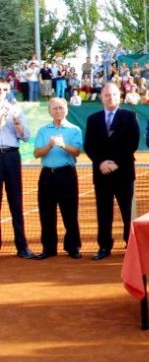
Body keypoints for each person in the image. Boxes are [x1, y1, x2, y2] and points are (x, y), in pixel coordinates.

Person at [84, 83, 141, 260]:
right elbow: (89, 145)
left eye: (114, 94)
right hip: (102, 174)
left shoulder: (129, 116)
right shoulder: (93, 119)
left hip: (124, 173)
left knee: (127, 212)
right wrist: (101, 162)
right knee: (103, 212)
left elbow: (132, 143)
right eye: (107, 95)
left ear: (120, 96)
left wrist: (116, 163)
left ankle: (130, 244)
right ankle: (104, 246)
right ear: (101, 97)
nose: (111, 98)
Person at [32, 98, 83, 259]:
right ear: (50, 112)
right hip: (47, 175)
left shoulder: (74, 129)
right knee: (46, 213)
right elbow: (36, 153)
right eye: (55, 109)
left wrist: (62, 145)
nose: (58, 111)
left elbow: (77, 152)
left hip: (67, 174)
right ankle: (49, 248)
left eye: (61, 108)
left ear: (66, 110)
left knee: (70, 212)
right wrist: (49, 145)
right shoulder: (43, 130)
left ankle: (73, 247)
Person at [0, 80, 35, 258]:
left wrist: (15, 121)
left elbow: (26, 136)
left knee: (16, 202)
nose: (1, 92)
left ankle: (22, 247)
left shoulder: (16, 109)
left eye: (4, 89)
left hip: (12, 156)